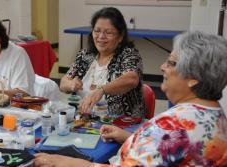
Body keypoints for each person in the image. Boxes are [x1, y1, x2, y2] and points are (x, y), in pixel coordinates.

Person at [34, 31, 227, 167]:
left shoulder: (172, 123)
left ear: (194, 78)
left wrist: (69, 163)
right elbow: (177, 147)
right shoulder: (215, 114)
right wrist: (131, 136)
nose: (162, 67)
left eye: (171, 62)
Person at [59, 7, 144, 117]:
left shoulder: (129, 55)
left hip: (121, 124)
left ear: (120, 36)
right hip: (83, 122)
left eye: (108, 32)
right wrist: (71, 84)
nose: (101, 37)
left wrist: (101, 90)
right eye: (97, 31)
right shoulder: (85, 55)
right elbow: (63, 83)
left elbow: (131, 79)